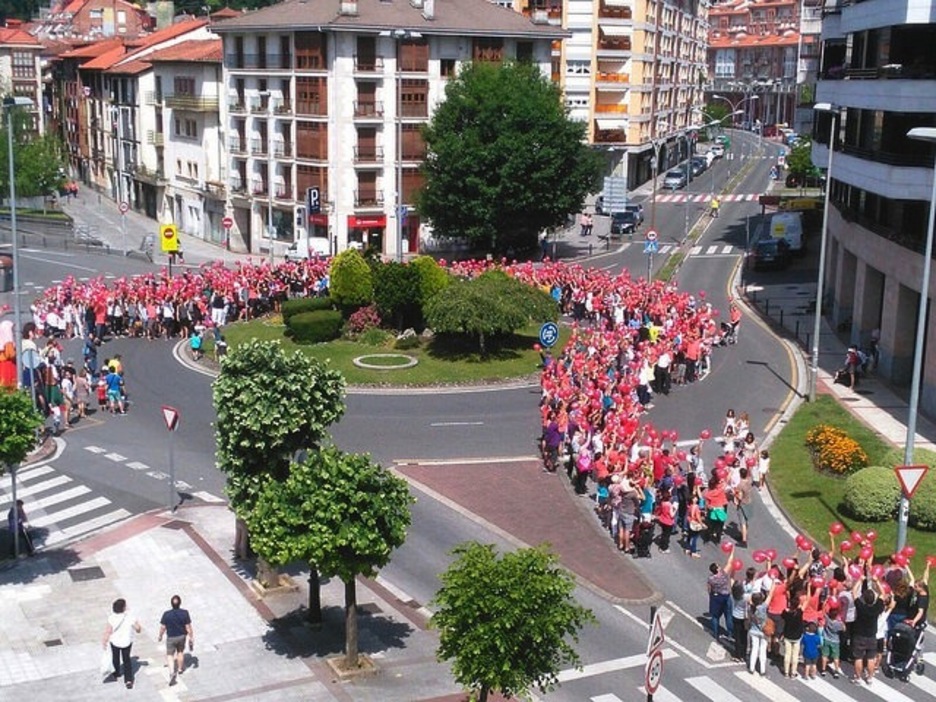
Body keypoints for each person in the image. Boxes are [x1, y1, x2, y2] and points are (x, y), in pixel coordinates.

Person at [851, 574, 886, 685]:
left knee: (858, 658)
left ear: (864, 599)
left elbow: (854, 592)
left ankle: (858, 678)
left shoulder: (861, 607)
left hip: (860, 635)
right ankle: (870, 678)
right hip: (872, 636)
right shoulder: (877, 608)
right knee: (871, 658)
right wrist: (877, 581)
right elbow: (883, 594)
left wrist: (860, 580)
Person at [102, 598, 142, 689]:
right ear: (123, 608)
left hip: (115, 642)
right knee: (126, 660)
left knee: (115, 658)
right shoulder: (130, 617)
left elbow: (108, 631)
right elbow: (138, 629)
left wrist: (104, 641)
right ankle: (128, 680)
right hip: (126, 642)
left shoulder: (111, 617)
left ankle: (116, 673)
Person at [158, 595, 194, 686]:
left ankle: (171, 673)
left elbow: (163, 627)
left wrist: (160, 636)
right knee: (180, 652)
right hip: (182, 636)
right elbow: (188, 626)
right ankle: (180, 669)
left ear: (171, 604)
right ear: (180, 603)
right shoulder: (185, 613)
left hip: (171, 637)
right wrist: (191, 637)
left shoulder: (166, 614)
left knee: (170, 655)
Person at [707, 547, 735, 641]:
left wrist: (711, 595)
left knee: (715, 616)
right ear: (718, 569)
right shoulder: (723, 573)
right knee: (729, 616)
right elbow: (729, 563)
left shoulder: (711, 579)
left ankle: (715, 633)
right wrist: (732, 552)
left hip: (716, 597)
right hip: (726, 597)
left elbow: (709, 588)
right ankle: (730, 633)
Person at [820, 599, 845, 678]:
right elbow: (844, 629)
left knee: (824, 655)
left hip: (826, 639)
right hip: (835, 641)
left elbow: (823, 611)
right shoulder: (838, 623)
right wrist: (841, 621)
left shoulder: (827, 619)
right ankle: (836, 671)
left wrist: (826, 601)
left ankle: (823, 670)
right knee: (836, 657)